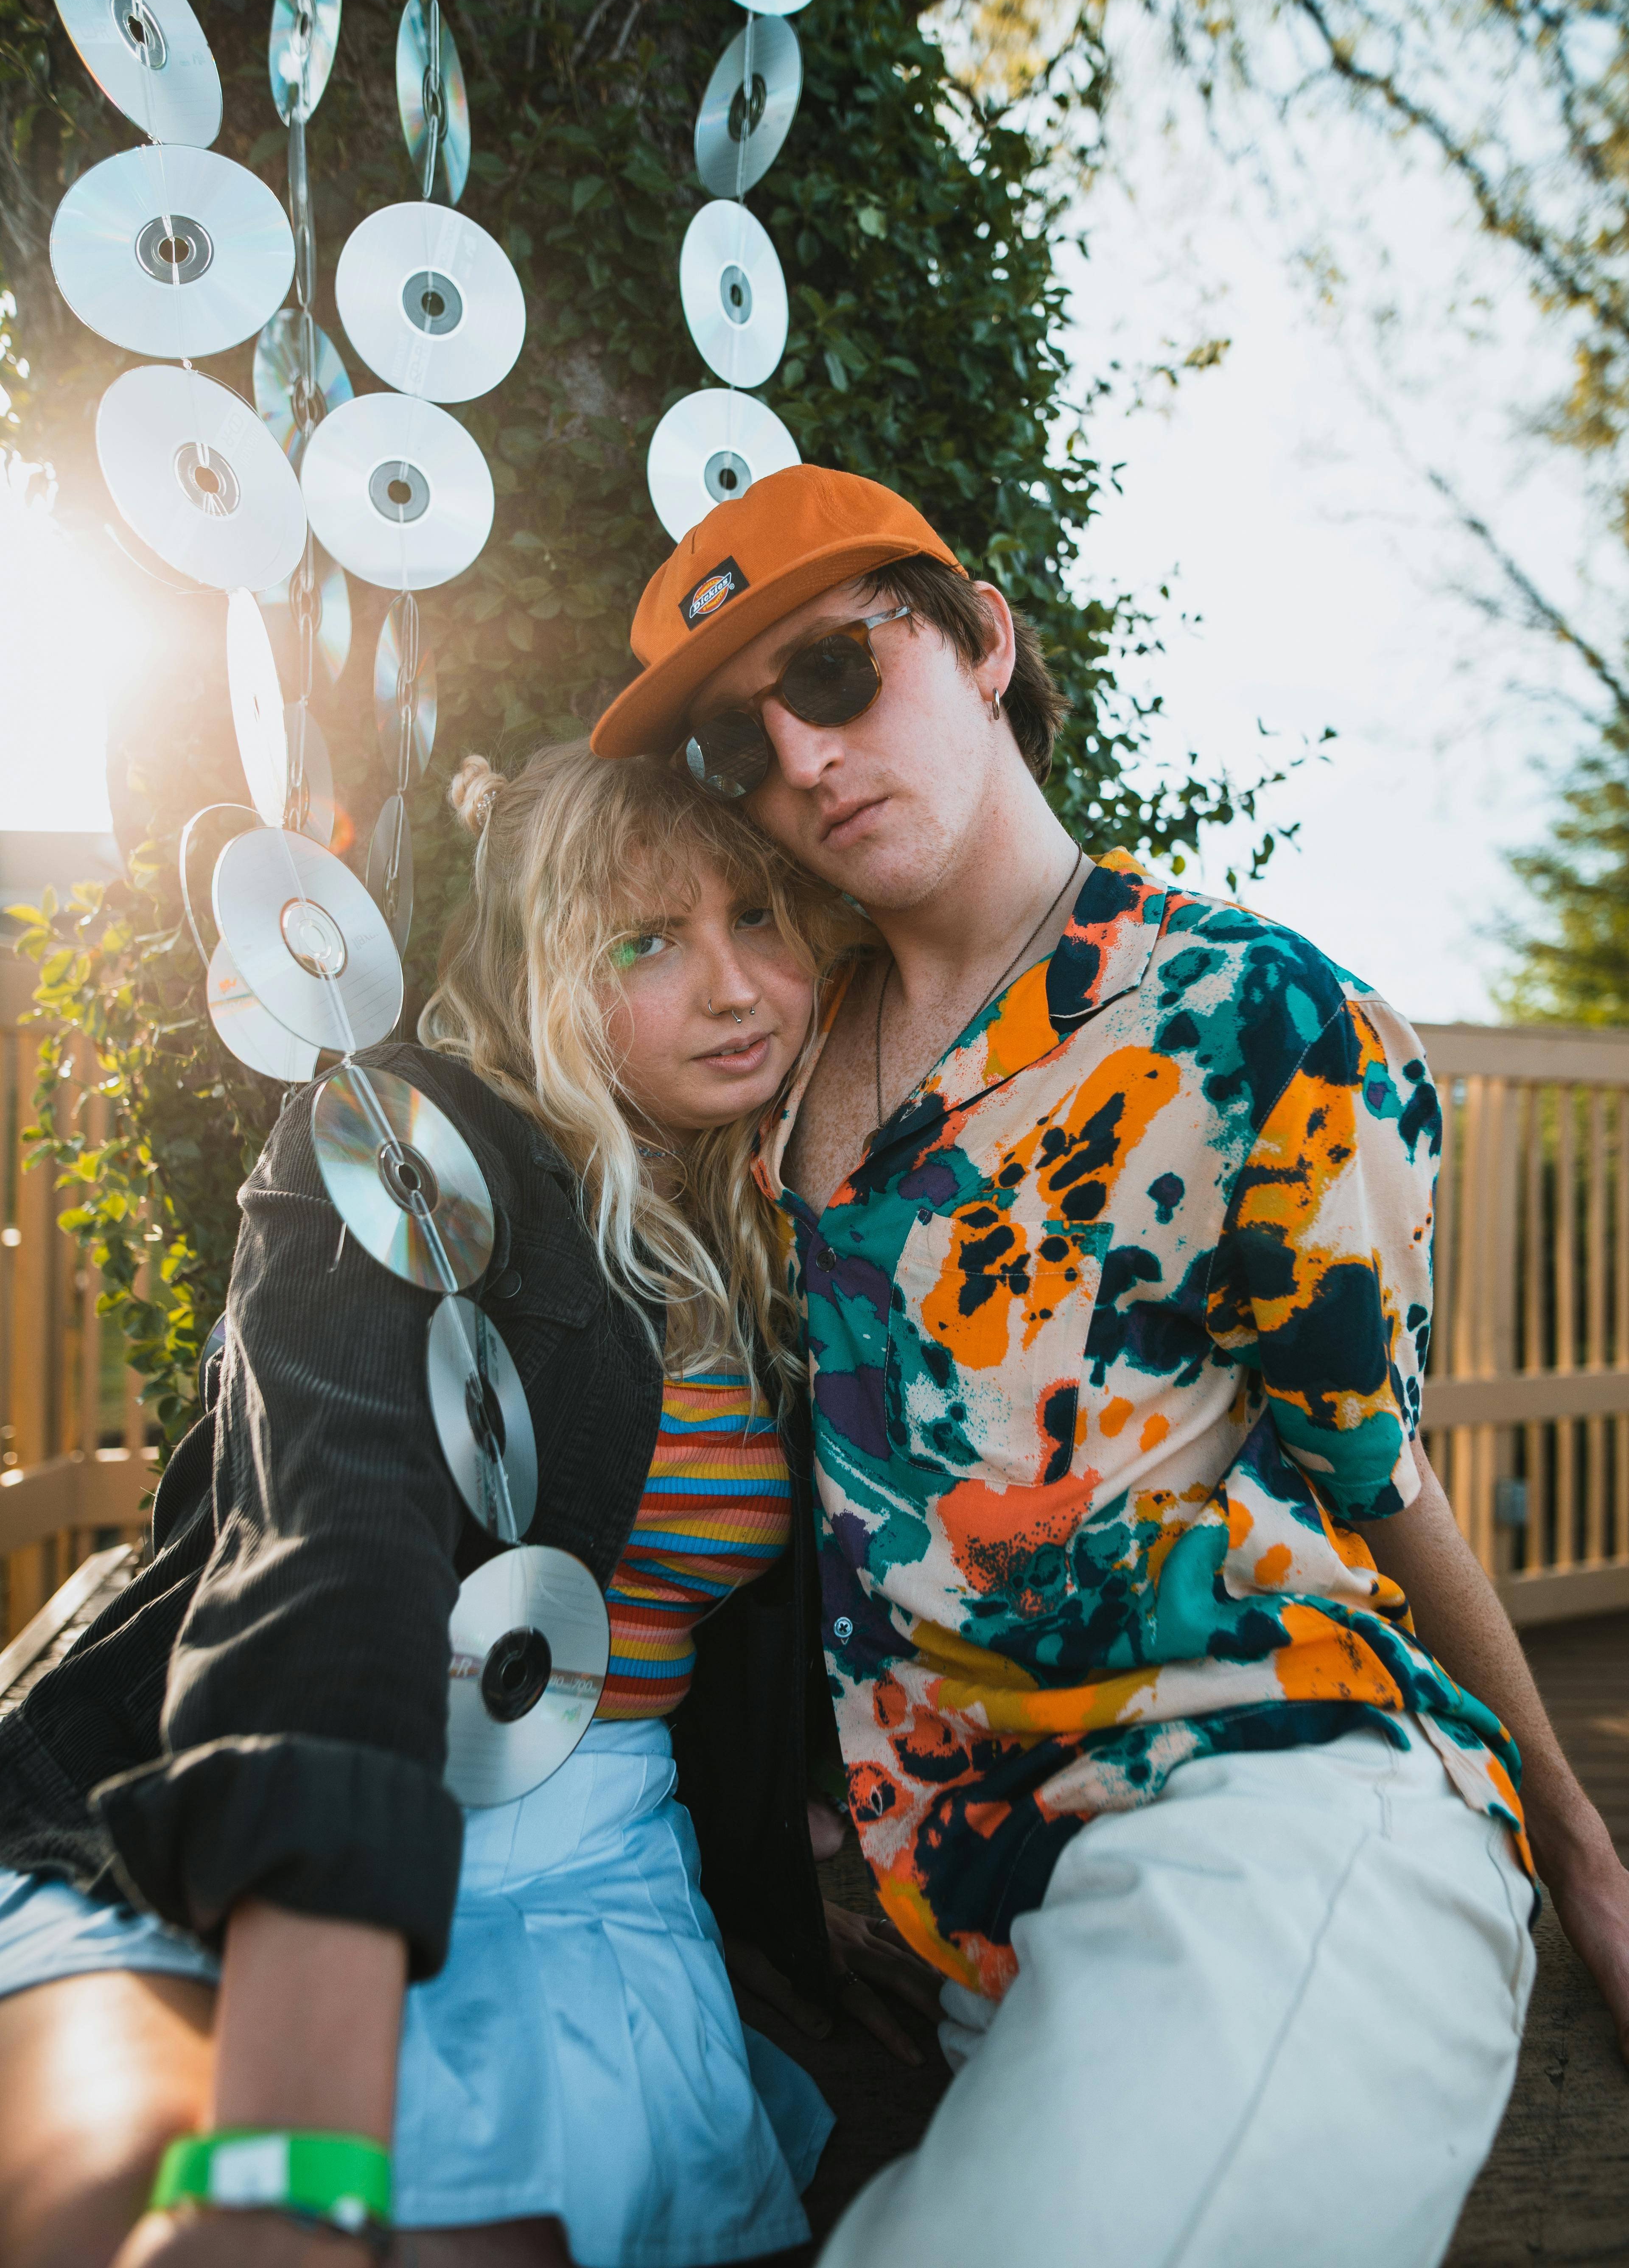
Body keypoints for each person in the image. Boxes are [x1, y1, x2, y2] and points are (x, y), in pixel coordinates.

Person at [591, 463, 1629, 2268]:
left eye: (838, 674)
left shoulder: (1252, 1020)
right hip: (984, 1926)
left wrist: (1589, 1858)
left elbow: (1375, 1481)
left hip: (1277, 1805)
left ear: (984, 643)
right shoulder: (778, 1056)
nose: (805, 758)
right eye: (741, 749)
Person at [0, 740, 929, 2268]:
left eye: (761, 920)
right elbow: (335, 1556)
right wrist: (296, 2159)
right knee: (129, 2205)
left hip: (602, 1881)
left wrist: (821, 1857)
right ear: (542, 977)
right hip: (243, 1809)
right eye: (646, 940)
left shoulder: (784, 1223)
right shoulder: (407, 1145)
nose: (736, 986)